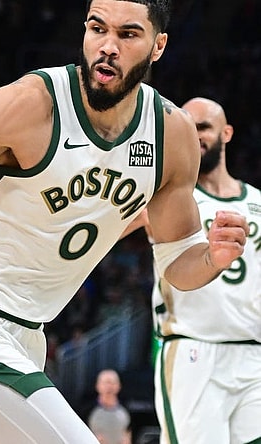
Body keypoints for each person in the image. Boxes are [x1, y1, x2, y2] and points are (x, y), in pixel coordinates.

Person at [0, 1, 250, 443]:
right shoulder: (27, 105)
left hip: (28, 338)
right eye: (98, 28)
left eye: (128, 35)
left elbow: (176, 263)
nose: (108, 47)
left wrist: (212, 256)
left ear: (158, 46)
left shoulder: (172, 135)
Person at [145, 97, 261, 444]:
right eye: (187, 128)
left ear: (226, 133)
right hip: (193, 350)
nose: (195, 135)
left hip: (253, 352)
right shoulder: (165, 197)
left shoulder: (257, 201)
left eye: (204, 127)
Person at [84, 369, 131, 444]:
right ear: (97, 386)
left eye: (112, 383)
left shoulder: (126, 411)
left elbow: (128, 433)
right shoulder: (87, 410)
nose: (109, 387)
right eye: (105, 383)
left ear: (119, 386)